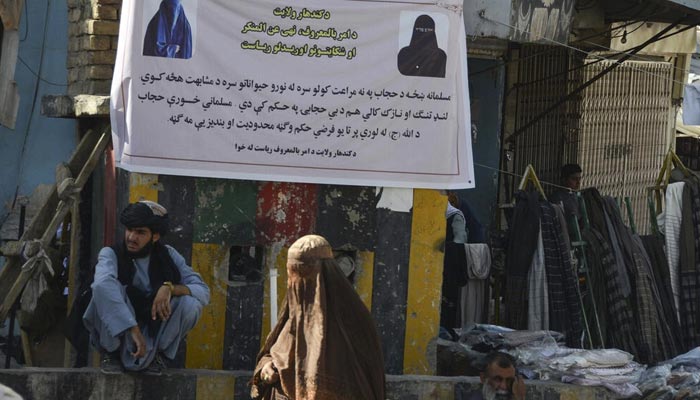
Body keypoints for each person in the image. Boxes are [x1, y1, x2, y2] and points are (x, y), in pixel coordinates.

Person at [251, 235, 385, 400]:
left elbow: (363, 382)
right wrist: (266, 368)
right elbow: (275, 352)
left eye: (306, 274)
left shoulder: (354, 323)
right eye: (294, 273)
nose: (300, 283)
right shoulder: (294, 314)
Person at [83, 200, 209, 374]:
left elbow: (203, 291)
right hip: (118, 331)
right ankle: (110, 354)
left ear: (155, 236)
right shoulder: (110, 254)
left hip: (152, 330)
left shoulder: (169, 255)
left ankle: (159, 356)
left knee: (191, 304)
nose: (131, 237)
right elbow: (101, 285)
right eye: (129, 230)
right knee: (105, 289)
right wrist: (131, 327)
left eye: (140, 232)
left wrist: (170, 288)